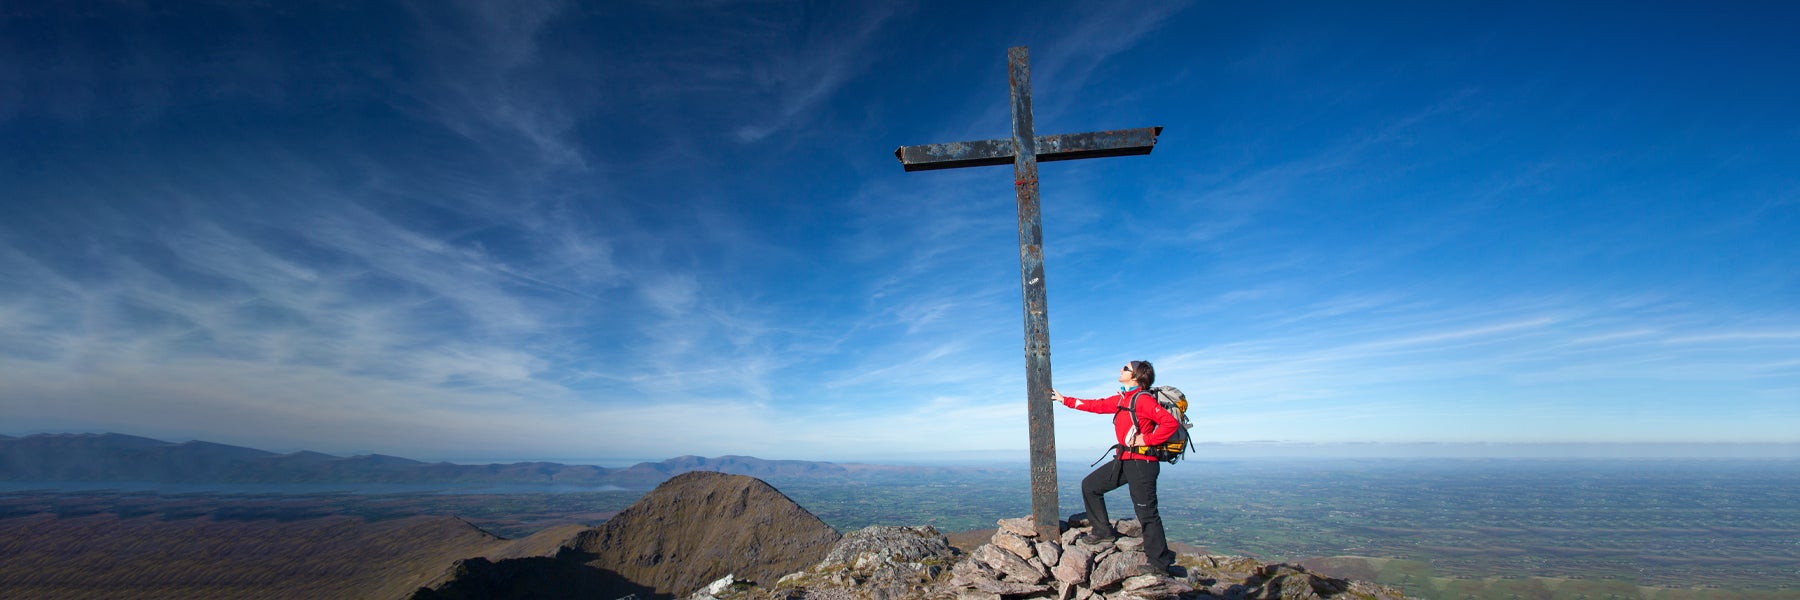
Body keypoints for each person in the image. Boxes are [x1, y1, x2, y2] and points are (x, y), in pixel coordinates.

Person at [1050, 360, 1179, 574]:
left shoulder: (1142, 400)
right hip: (1125, 459)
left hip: (1142, 463)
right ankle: (1102, 531)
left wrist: (1145, 439)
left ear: (1137, 377)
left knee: (1147, 513)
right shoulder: (1124, 399)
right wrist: (1065, 400)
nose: (1121, 369)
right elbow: (1097, 405)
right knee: (1090, 486)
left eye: (1126, 368)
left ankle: (1160, 564)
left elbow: (1170, 424)